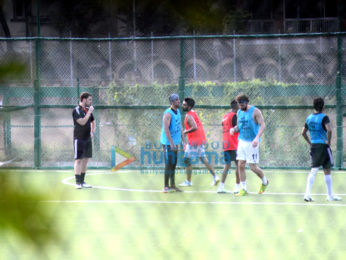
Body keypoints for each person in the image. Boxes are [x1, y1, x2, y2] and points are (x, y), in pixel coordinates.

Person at [302, 97, 341, 202]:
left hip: (314, 146)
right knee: (327, 170)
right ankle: (329, 195)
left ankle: (307, 194)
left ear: (314, 106)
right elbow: (329, 130)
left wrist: (310, 142)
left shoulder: (309, 118)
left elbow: (303, 133)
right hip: (323, 146)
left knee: (313, 170)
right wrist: (328, 142)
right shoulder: (324, 117)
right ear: (323, 106)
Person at [230, 94, 269, 196]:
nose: (240, 107)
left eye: (242, 105)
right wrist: (233, 129)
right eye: (239, 105)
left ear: (246, 103)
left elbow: (263, 125)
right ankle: (243, 189)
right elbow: (238, 127)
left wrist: (257, 138)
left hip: (252, 143)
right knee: (241, 164)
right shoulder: (239, 112)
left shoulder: (255, 111)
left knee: (253, 167)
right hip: (242, 141)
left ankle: (265, 181)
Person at [179, 97, 219, 187]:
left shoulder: (189, 115)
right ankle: (215, 176)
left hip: (194, 141)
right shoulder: (192, 113)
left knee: (186, 160)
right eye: (182, 104)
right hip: (199, 139)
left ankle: (188, 182)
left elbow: (194, 127)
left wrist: (184, 132)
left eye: (184, 105)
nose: (182, 106)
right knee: (203, 159)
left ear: (189, 107)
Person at [160, 93, 184, 193]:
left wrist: (183, 141)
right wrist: (171, 144)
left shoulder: (177, 111)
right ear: (172, 102)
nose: (179, 101)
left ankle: (173, 185)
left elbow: (180, 126)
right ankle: (165, 186)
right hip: (168, 143)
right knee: (168, 164)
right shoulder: (168, 114)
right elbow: (166, 129)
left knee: (173, 164)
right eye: (177, 100)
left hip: (175, 142)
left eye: (178, 99)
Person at [73, 92, 96, 189]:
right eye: (89, 99)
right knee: (79, 160)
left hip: (87, 139)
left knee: (86, 160)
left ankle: (82, 181)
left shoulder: (87, 110)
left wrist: (92, 132)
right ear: (83, 99)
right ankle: (78, 182)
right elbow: (82, 122)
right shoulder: (76, 110)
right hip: (79, 138)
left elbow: (93, 122)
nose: (91, 101)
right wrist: (89, 112)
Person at [218, 100, 240, 194]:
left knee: (227, 166)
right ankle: (237, 187)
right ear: (236, 106)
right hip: (234, 144)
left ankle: (221, 187)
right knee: (239, 165)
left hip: (226, 144)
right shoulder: (235, 116)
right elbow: (237, 128)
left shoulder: (225, 116)